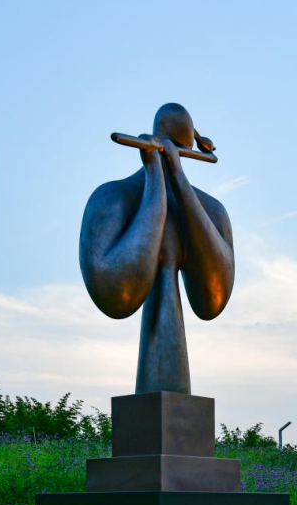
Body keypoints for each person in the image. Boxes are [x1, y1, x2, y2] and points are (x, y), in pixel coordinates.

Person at [79, 103, 235, 394]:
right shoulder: (112, 198)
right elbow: (115, 296)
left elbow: (212, 302)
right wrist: (155, 185)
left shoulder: (213, 211)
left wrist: (179, 181)